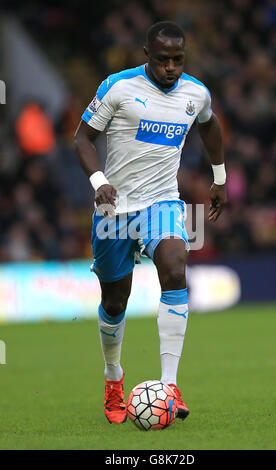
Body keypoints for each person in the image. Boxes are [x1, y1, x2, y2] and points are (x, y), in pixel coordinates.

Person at [74, 21, 227, 424]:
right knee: (114, 301)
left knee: (176, 268)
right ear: (147, 54)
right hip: (114, 210)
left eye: (178, 60)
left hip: (163, 203)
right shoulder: (118, 87)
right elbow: (81, 139)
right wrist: (99, 181)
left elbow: (210, 125)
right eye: (162, 60)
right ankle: (113, 377)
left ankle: (170, 385)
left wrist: (220, 177)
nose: (171, 68)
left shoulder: (196, 93)